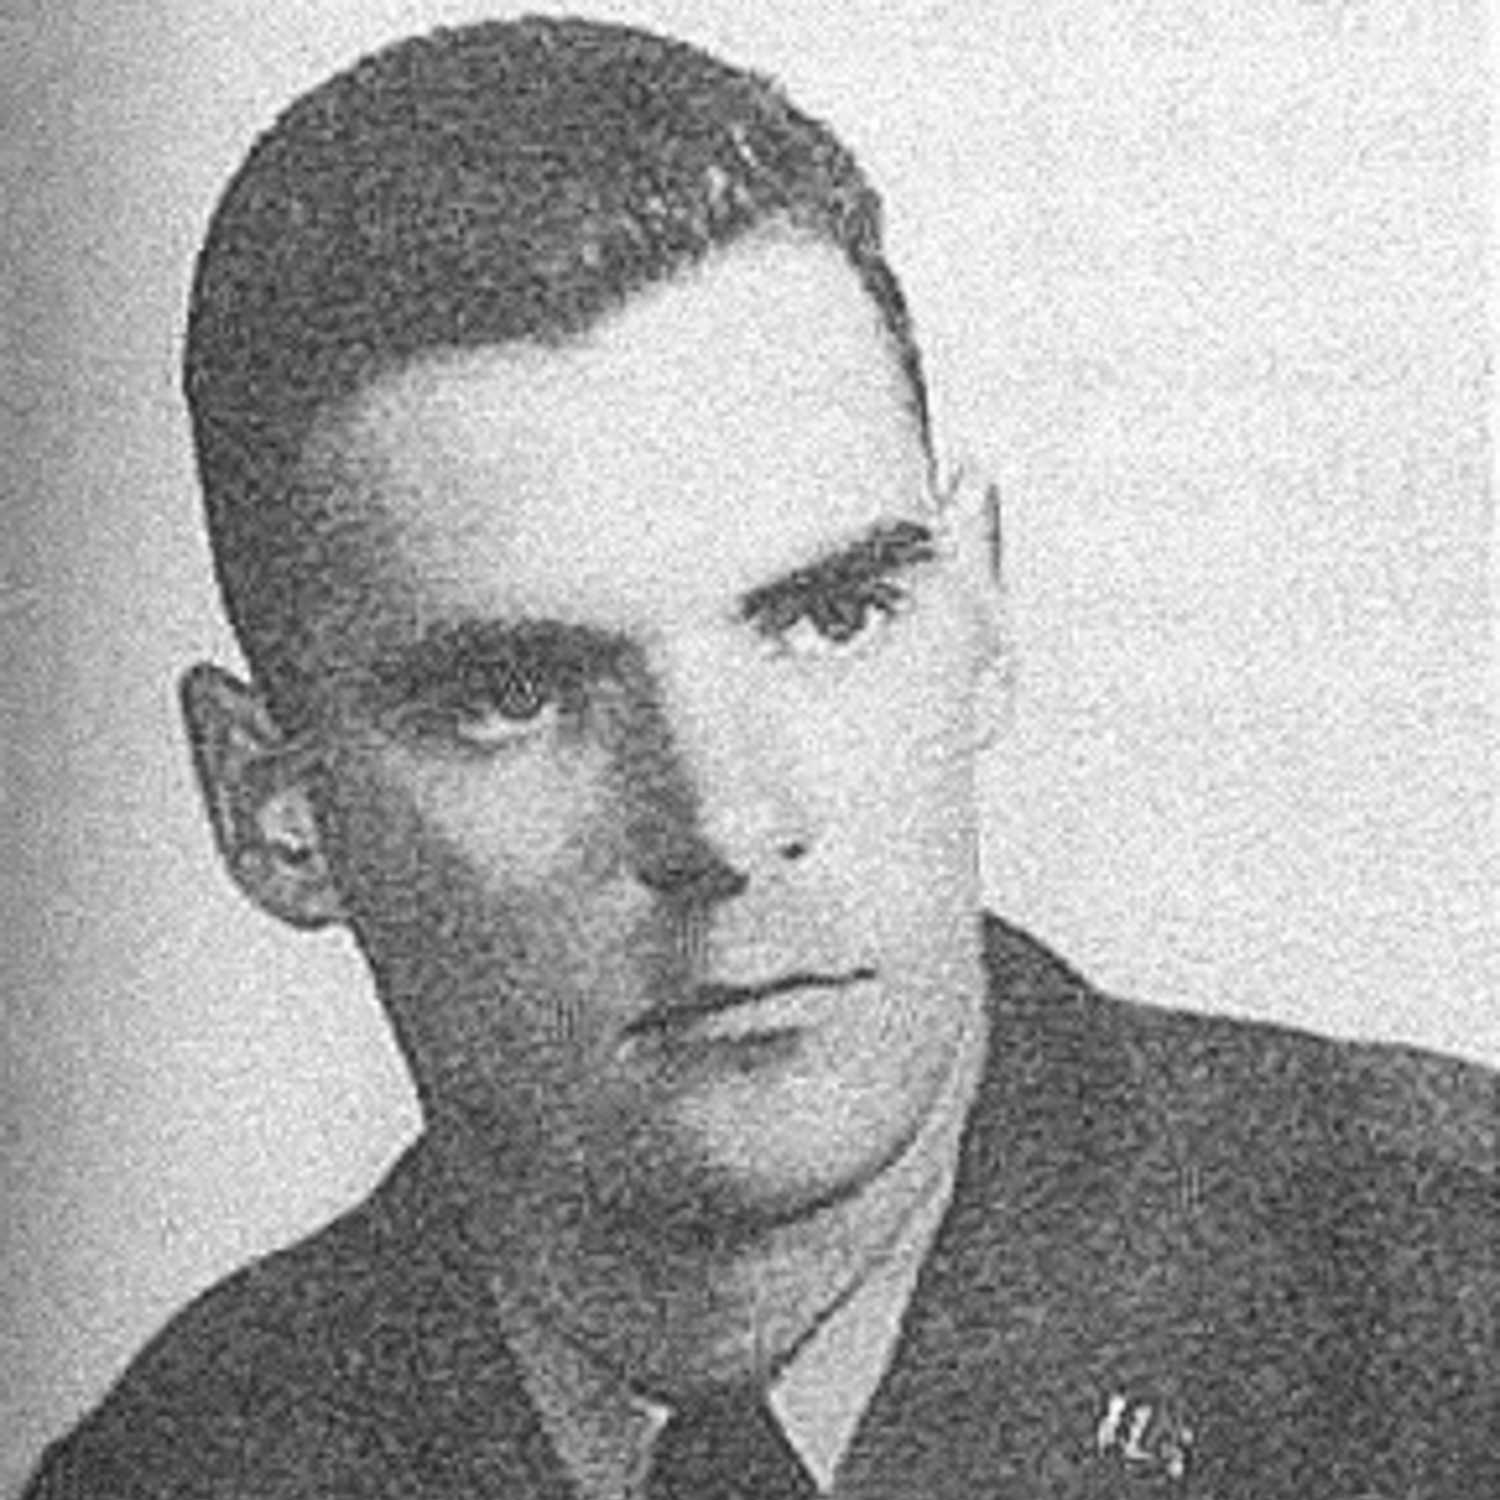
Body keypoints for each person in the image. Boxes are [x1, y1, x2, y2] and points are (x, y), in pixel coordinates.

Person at [24, 16, 1494, 1499]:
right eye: (519, 693)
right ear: (273, 811)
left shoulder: (1448, 1329)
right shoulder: (177, 1471)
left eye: (831, 616)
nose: (722, 820)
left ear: (980, 611)